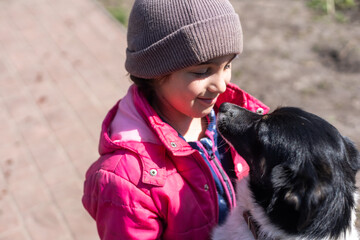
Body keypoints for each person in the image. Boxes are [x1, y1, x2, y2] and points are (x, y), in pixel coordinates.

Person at [82, 0, 269, 239]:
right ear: (155, 72)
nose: (221, 85)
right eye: (203, 71)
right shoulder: (127, 181)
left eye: (228, 65)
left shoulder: (236, 120)